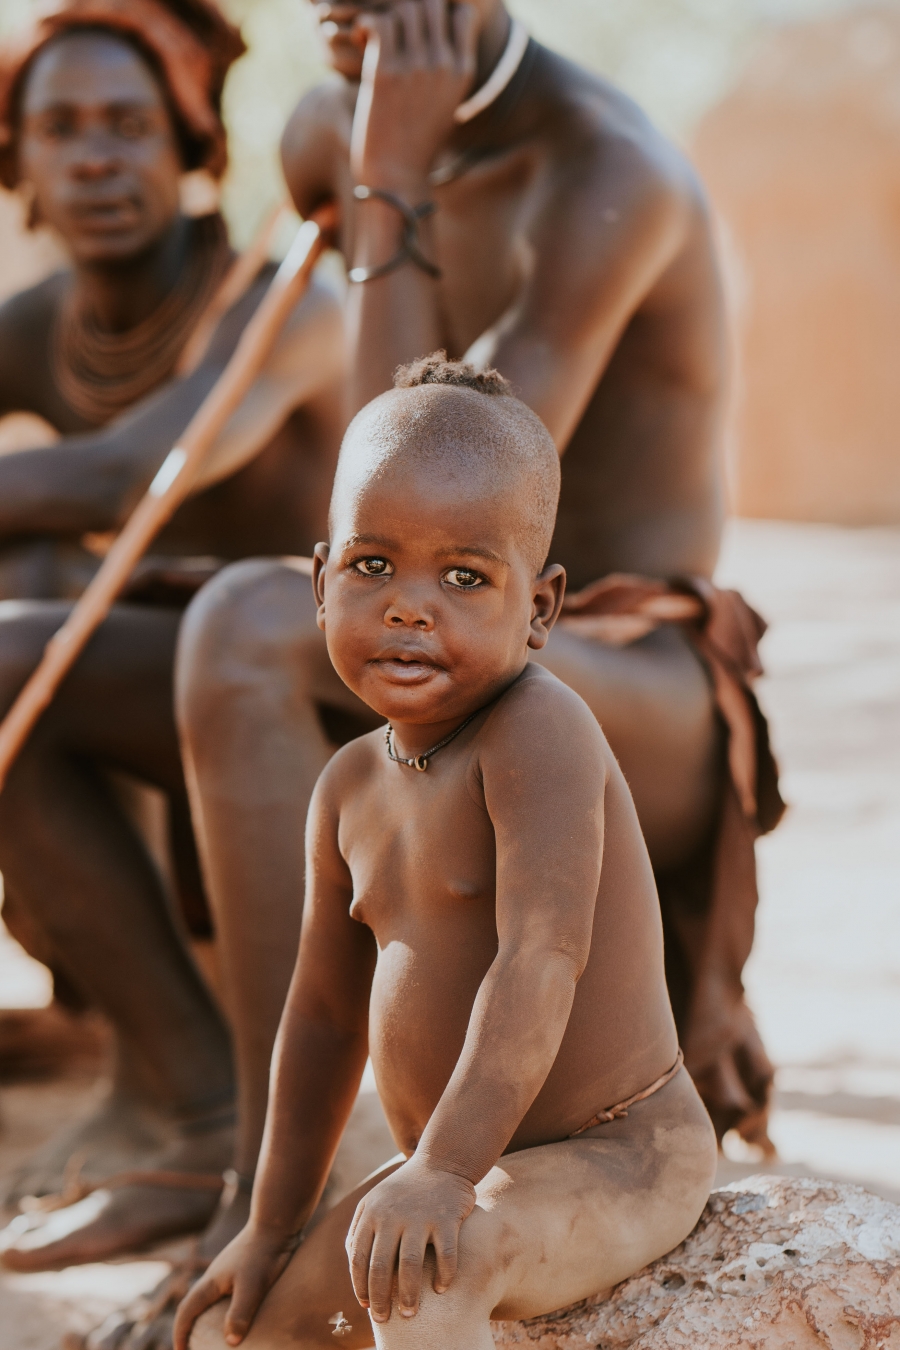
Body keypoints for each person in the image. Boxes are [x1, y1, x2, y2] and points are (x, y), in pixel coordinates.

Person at [177, 0, 782, 1211]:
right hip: (429, 643)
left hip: (616, 674)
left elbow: (416, 456)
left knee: (246, 627)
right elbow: (352, 507)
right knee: (46, 646)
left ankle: (272, 1183)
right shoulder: (329, 132)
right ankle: (182, 1106)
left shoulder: (608, 175)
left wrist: (387, 184)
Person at [173, 358, 718, 1350]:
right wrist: (268, 1226)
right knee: (237, 1329)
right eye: (372, 566)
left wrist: (443, 1173)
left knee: (435, 1266)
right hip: (462, 1161)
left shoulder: (538, 734)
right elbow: (325, 1015)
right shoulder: (346, 786)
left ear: (542, 609)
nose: (410, 607)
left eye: (465, 577)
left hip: (617, 1150)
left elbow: (540, 959)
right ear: (320, 578)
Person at [0, 0, 348, 1275]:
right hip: (178, 702)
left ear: (194, 149)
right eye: (61, 130)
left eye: (132, 128)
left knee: (14, 620)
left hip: (334, 711)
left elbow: (124, 479)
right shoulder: (41, 327)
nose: (97, 158)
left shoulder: (278, 301)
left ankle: (205, 1106)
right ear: (16, 167)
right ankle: (163, 1072)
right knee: (23, 575)